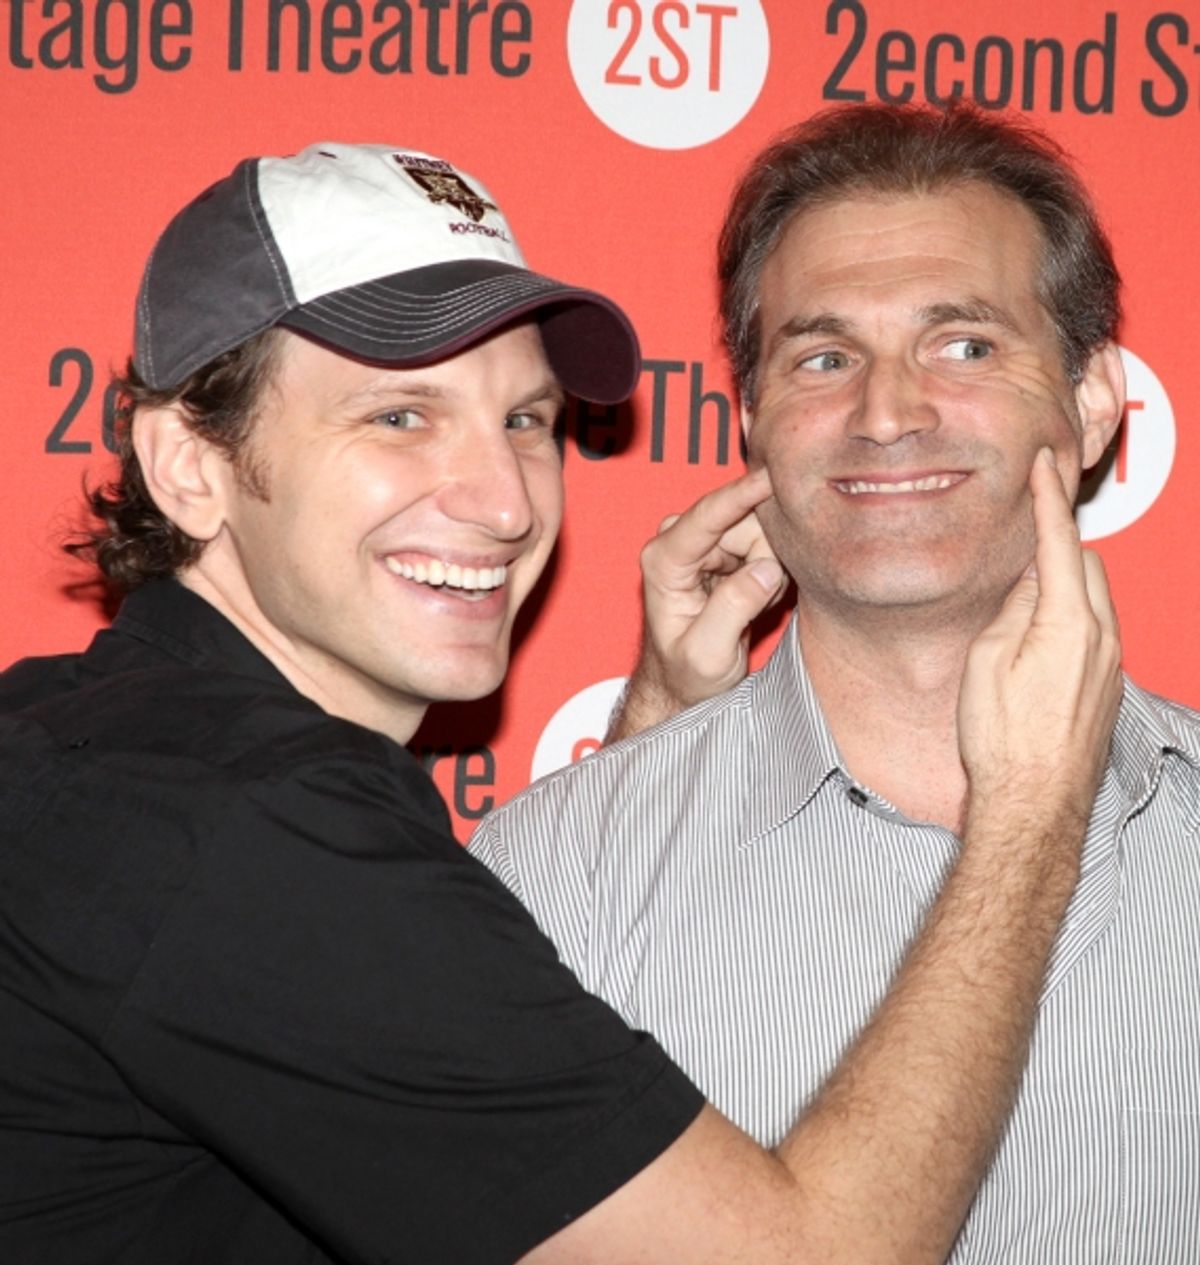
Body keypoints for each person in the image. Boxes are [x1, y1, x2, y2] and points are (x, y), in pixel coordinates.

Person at [0, 139, 1121, 1265]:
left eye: (526, 421)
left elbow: (457, 1076)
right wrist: (1026, 811)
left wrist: (647, 752)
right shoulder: (252, 828)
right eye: (401, 418)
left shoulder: (111, 753)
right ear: (189, 464)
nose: (501, 503)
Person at [471, 104, 1200, 1263]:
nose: (887, 412)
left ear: (1098, 402)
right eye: (824, 356)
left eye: (964, 344)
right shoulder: (558, 876)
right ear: (755, 420)